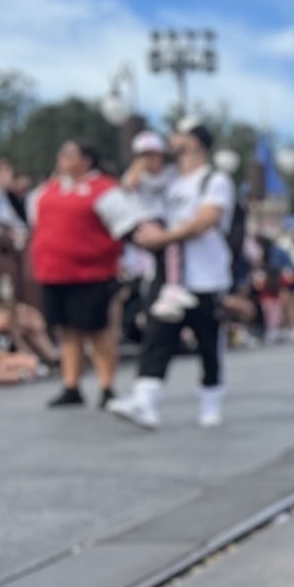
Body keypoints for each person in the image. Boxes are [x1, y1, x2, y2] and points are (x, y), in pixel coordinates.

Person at [110, 122, 237, 430]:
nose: (170, 139)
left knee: (207, 341)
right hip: (169, 276)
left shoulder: (213, 180)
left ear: (193, 141)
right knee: (157, 335)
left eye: (177, 134)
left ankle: (210, 399)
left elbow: (205, 221)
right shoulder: (170, 181)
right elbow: (131, 188)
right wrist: (143, 160)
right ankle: (146, 400)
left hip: (205, 276)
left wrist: (164, 238)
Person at [27, 140, 125, 408]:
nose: (63, 159)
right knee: (68, 330)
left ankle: (106, 385)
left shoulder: (104, 190)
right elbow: (35, 222)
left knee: (97, 330)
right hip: (55, 272)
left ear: (86, 160)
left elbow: (121, 227)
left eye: (70, 155)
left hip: (91, 273)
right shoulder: (46, 190)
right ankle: (71, 384)